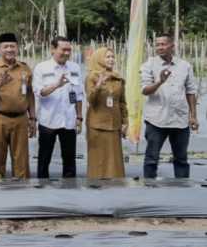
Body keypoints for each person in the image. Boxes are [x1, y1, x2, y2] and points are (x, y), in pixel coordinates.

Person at [141, 34, 198, 179]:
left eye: (163, 44)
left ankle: (182, 192)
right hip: (156, 120)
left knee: (181, 160)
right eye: (157, 44)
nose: (159, 47)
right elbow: (145, 90)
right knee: (151, 159)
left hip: (180, 120)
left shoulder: (185, 66)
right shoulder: (149, 64)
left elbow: (191, 91)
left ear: (172, 46)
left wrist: (193, 116)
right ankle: (148, 189)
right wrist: (160, 81)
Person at [0, 33, 36, 179]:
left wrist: (33, 118)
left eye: (12, 46)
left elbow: (29, 94)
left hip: (20, 118)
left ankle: (22, 190)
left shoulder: (24, 68)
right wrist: (0, 84)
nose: (9, 49)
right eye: (6, 46)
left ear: (17, 48)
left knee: (22, 158)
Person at [33, 36, 83, 179]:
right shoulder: (41, 68)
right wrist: (56, 85)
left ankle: (69, 191)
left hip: (68, 120)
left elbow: (78, 95)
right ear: (53, 49)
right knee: (44, 158)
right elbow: (40, 92)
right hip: (48, 120)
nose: (67, 53)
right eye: (63, 50)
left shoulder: (75, 68)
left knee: (69, 160)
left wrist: (79, 117)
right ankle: (42, 189)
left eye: (69, 50)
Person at [85, 47, 127, 178]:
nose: (111, 60)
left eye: (112, 57)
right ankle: (96, 185)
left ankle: (115, 189)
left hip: (114, 124)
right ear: (99, 59)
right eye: (107, 57)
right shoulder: (92, 76)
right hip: (97, 124)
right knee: (98, 159)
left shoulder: (118, 78)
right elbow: (91, 100)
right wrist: (98, 85)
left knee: (114, 159)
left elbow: (122, 102)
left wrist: (125, 121)